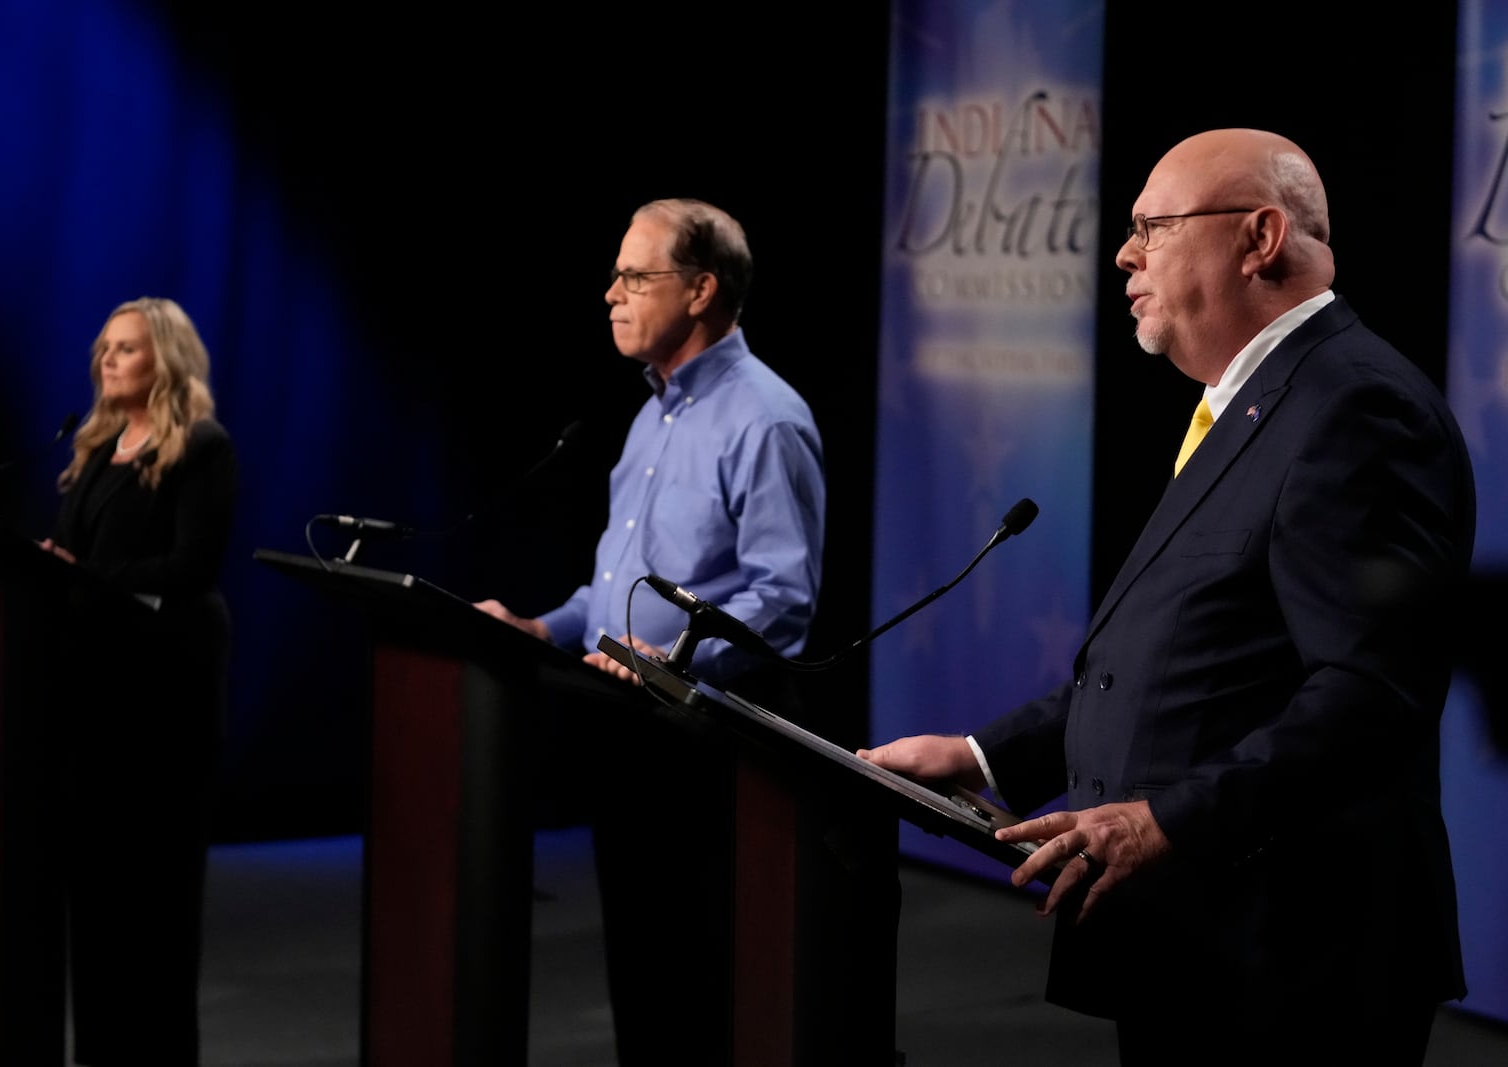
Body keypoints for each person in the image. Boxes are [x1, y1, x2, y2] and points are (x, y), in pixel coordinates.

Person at [858, 128, 1474, 1066]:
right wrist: (982, 755)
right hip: (1205, 940)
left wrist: (1165, 818)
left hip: (1297, 957)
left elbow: (1370, 691)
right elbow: (1183, 654)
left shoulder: (1355, 407)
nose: (1125, 252)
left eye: (1153, 225)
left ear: (1258, 238)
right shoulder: (1253, 400)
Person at [474, 198, 849, 1064]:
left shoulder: (766, 418)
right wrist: (546, 626)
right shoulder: (653, 415)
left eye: (634, 275)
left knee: (698, 986)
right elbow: (620, 585)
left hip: (706, 739)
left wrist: (680, 657)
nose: (611, 292)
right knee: (641, 978)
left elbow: (783, 597)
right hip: (626, 726)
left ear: (701, 288)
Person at [40, 297, 238, 1066]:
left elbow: (192, 567)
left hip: (165, 696)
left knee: (154, 895)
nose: (106, 360)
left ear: (165, 359)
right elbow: (70, 556)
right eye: (103, 349)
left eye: (124, 348)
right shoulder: (94, 448)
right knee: (96, 893)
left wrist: (86, 577)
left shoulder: (202, 447)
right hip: (94, 695)